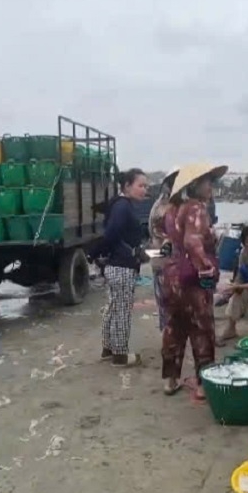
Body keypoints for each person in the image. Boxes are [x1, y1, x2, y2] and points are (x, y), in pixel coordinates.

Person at [161, 163, 224, 399]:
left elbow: (174, 240)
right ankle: (202, 384)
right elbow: (192, 241)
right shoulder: (196, 208)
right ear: (195, 184)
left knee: (174, 327)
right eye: (209, 182)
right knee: (202, 328)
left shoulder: (171, 209)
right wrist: (207, 266)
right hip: (194, 277)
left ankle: (170, 380)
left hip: (172, 276)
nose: (211, 187)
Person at [90, 168, 148, 366]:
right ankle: (120, 355)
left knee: (113, 307)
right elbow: (112, 235)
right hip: (122, 266)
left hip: (116, 266)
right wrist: (130, 253)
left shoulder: (119, 205)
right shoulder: (123, 207)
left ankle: (108, 348)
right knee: (122, 310)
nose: (144, 190)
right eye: (140, 185)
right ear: (127, 186)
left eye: (145, 186)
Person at [148, 167, 180, 332]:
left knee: (164, 300)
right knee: (169, 300)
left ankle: (169, 332)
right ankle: (170, 334)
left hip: (160, 258)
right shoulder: (166, 207)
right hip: (166, 259)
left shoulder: (161, 204)